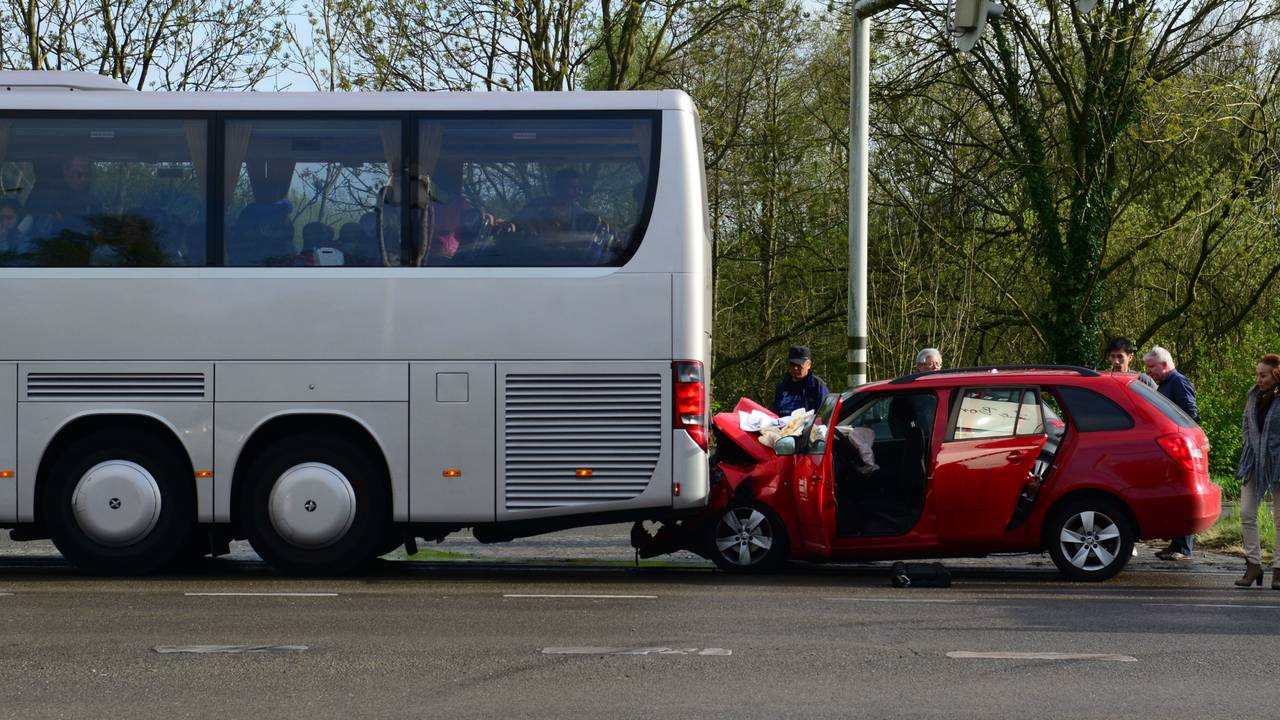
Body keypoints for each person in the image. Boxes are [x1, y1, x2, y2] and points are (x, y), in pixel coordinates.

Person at [1145, 345, 1200, 560]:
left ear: (1165, 364)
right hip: (1173, 447)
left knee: (1182, 496)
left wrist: (1178, 435)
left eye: (1151, 367)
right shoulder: (1166, 383)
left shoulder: (1178, 381)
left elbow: (1190, 413)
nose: (1149, 371)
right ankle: (1176, 544)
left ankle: (1183, 548)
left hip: (1180, 447)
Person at [1233, 353, 1280, 588]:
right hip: (1252, 460)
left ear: (1276, 374)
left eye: (1263, 375)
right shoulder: (1253, 395)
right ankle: (1254, 565)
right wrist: (1250, 447)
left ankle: (1279, 569)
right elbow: (1246, 424)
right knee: (1247, 513)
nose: (1258, 379)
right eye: (1257, 374)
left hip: (1278, 462)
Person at [773, 345, 829, 416]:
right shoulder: (781, 387)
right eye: (792, 364)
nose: (795, 368)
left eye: (799, 365)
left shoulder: (817, 386)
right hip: (784, 426)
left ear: (809, 365)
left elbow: (825, 415)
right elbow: (775, 414)